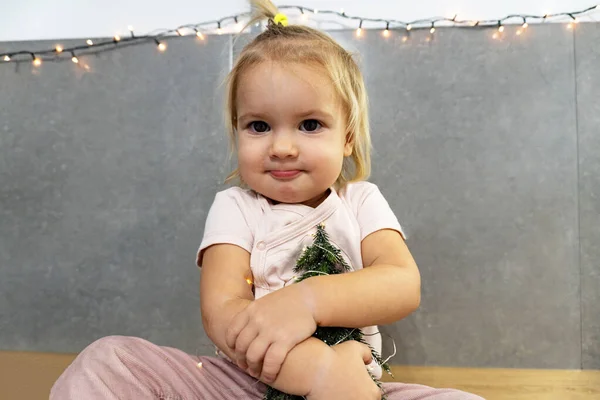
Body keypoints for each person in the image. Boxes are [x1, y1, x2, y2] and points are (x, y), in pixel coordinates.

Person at [50, 1, 485, 399]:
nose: (282, 147)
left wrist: (309, 302)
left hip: (356, 386)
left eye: (310, 125)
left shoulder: (360, 201)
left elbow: (402, 284)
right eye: (259, 126)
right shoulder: (235, 207)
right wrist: (315, 372)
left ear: (348, 137)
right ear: (237, 129)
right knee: (107, 362)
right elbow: (222, 313)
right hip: (246, 384)